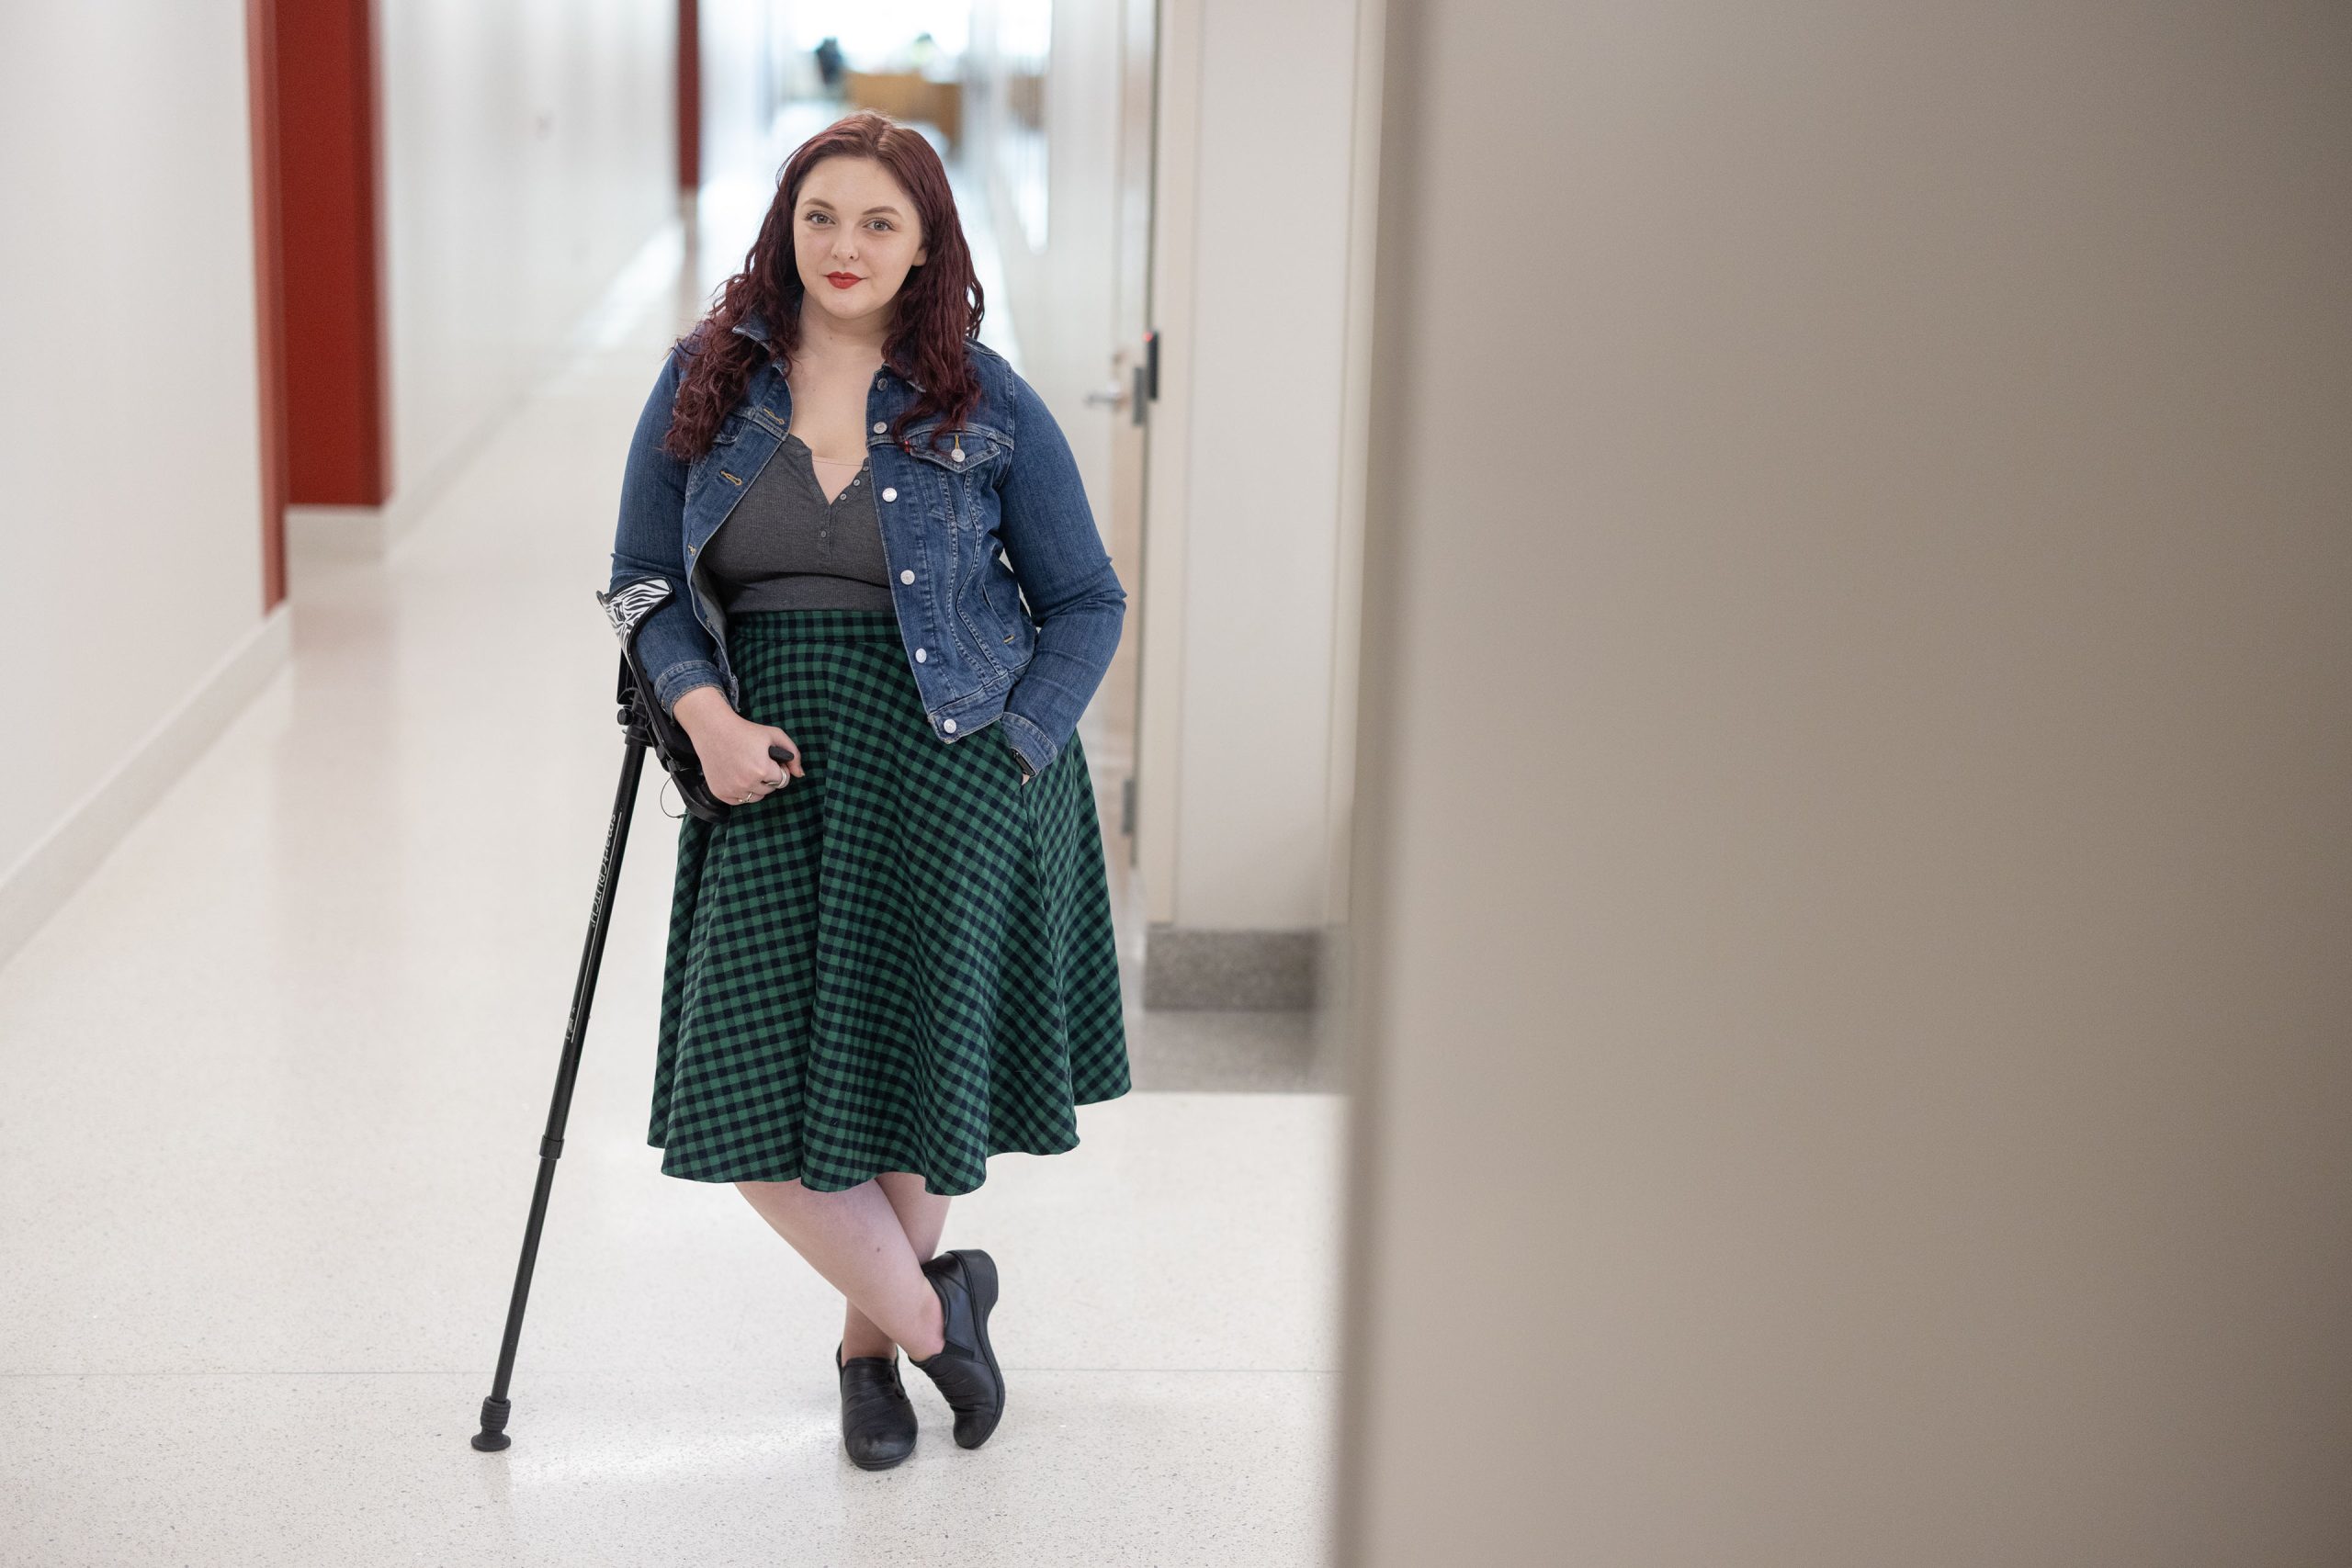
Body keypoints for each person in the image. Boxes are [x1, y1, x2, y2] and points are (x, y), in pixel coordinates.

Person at [605, 109, 1132, 1471]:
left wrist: (1017, 754)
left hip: (955, 763)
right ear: (787, 226)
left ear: (925, 243)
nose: (846, 246)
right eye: (822, 216)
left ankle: (865, 1352)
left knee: (915, 1075)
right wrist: (702, 711)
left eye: (879, 223)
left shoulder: (984, 399)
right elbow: (646, 583)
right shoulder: (707, 383)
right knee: (743, 1106)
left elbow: (1084, 600)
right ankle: (934, 1313)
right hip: (768, 764)